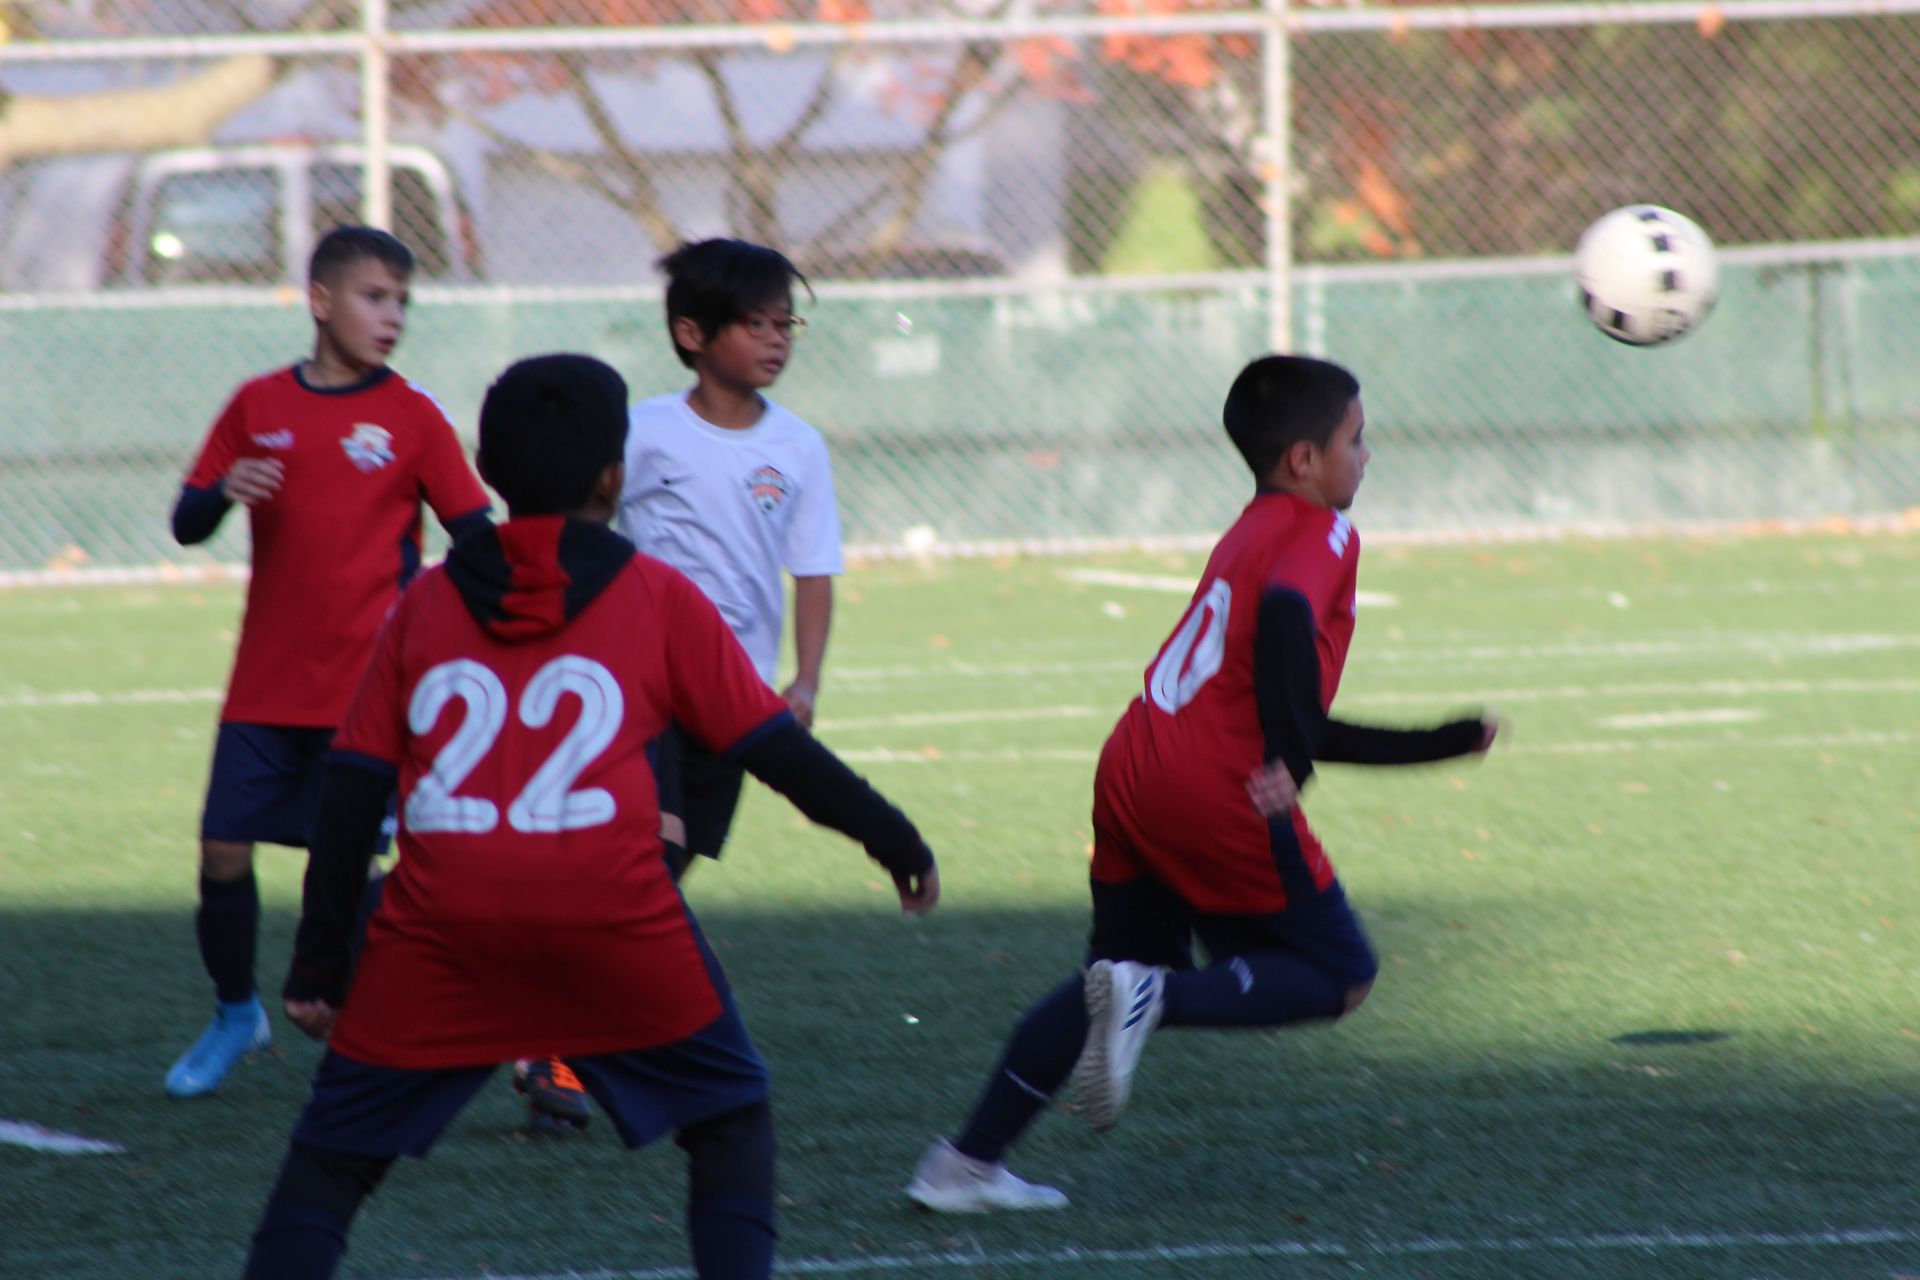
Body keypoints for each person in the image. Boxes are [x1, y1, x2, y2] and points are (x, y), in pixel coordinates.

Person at [239, 353, 939, 1280]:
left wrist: (320, 964)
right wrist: (893, 838)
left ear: (488, 471)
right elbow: (775, 750)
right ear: (615, 477)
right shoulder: (658, 596)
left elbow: (351, 791)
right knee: (729, 1120)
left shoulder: (424, 603)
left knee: (332, 1160)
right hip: (611, 917)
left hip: (442, 929)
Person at [903, 354, 1500, 1212]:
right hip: (1212, 787)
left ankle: (963, 1164)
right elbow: (1289, 634)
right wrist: (1296, 758)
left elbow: (1291, 702)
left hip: (1135, 763)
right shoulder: (1324, 532)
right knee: (1339, 974)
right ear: (1304, 459)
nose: (1367, 454)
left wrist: (1430, 743)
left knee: (1108, 979)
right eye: (1356, 439)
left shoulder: (1249, 527)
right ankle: (1156, 998)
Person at [165, 225, 491, 1100]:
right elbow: (186, 521)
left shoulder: (414, 416)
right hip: (265, 684)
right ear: (320, 300)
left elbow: (475, 535)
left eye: (402, 303)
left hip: (368, 695)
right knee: (222, 849)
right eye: (374, 298)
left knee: (343, 873)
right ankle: (237, 1013)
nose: (392, 318)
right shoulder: (257, 404)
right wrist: (221, 494)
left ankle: (368, 1035)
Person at [615, 237, 842, 879]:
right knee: (652, 845)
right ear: (692, 333)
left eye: (785, 324)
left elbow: (814, 569)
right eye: (755, 324)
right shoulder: (645, 431)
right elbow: (585, 524)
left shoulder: (798, 446)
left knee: (679, 855)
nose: (777, 339)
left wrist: (806, 680)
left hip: (738, 687)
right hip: (649, 679)